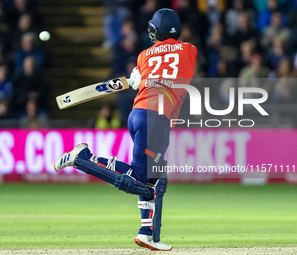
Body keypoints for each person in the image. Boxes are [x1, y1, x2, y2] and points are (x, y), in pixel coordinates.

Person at [54, 9, 197, 251]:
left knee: (155, 178)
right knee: (138, 180)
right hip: (156, 120)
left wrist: (136, 79)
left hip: (139, 114)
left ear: (155, 31)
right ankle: (82, 158)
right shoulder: (189, 50)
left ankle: (147, 233)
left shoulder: (143, 56)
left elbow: (144, 74)